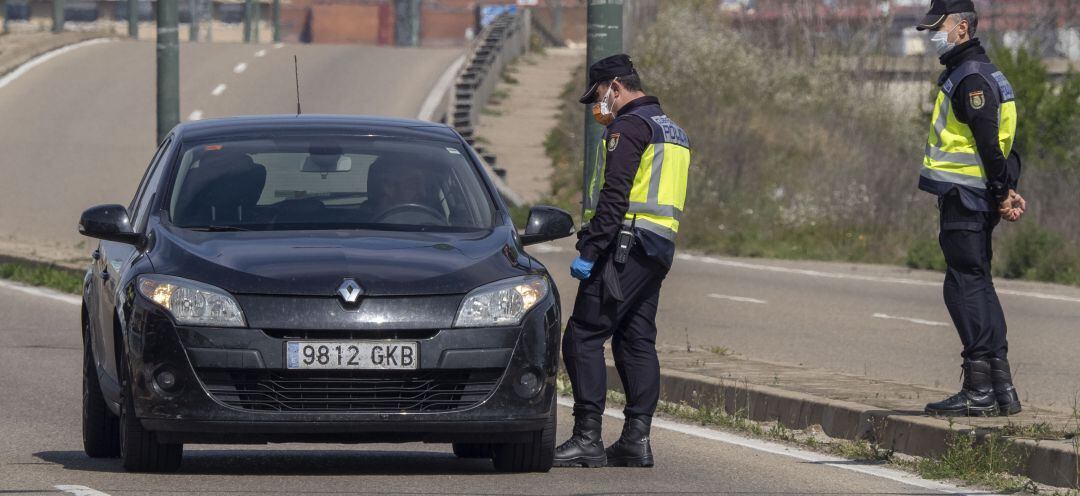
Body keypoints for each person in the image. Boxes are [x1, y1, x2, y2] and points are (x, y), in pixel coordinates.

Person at [555, 54, 691, 467]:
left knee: (582, 335)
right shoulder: (672, 129)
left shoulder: (628, 127)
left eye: (599, 95)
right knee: (635, 339)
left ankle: (587, 438)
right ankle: (636, 439)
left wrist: (591, 250)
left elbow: (614, 196)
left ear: (615, 86)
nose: (599, 105)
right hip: (657, 249)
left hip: (624, 246)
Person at [915, 0, 1026, 417]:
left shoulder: (971, 78)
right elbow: (1007, 143)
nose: (932, 36)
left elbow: (986, 141)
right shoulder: (983, 71)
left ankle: (979, 390)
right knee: (978, 284)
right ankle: (1000, 388)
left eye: (938, 27)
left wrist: (1001, 193)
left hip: (966, 197)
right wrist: (1006, 188)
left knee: (964, 287)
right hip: (977, 195)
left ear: (962, 28)